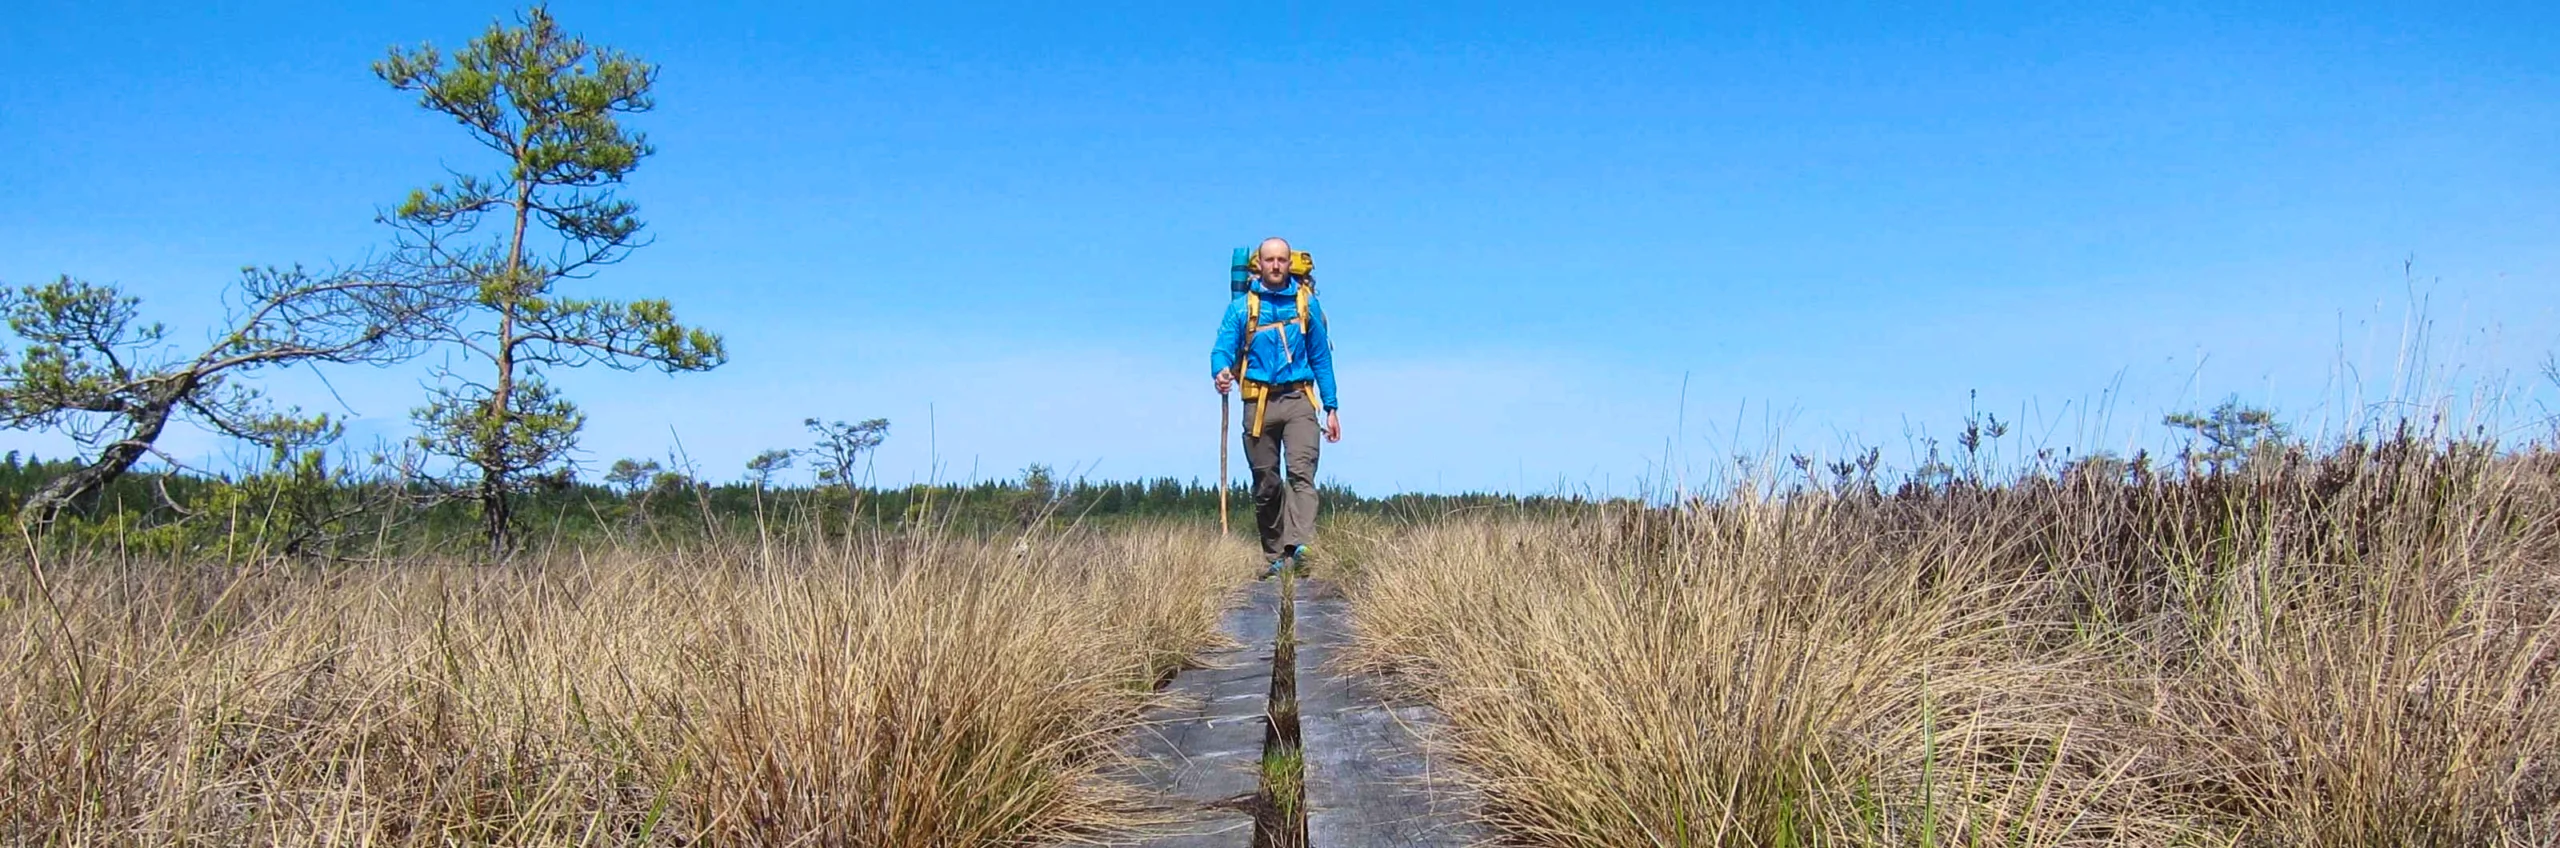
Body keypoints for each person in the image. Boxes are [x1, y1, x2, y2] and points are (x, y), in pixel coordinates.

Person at [1211, 237, 1341, 578]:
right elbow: (1222, 348)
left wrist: (1331, 406)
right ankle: (1274, 555)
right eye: (1269, 260)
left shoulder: (1305, 304)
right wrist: (1221, 372)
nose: (1276, 266)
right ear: (1259, 264)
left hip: (1299, 399)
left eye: (1282, 260)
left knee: (1301, 474)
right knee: (1266, 483)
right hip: (1258, 403)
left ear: (1289, 263)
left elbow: (1321, 357)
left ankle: (1299, 548)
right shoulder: (1242, 308)